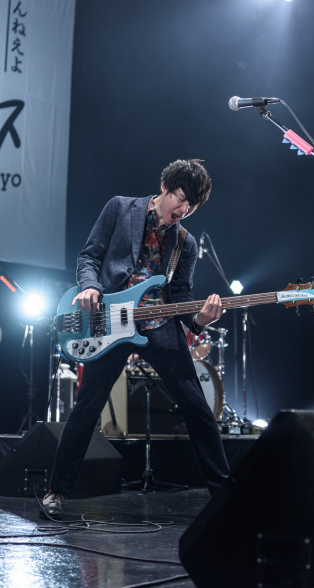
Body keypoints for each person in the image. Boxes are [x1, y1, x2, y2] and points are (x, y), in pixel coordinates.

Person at [42, 159, 230, 518]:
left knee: (196, 406)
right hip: (110, 320)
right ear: (165, 187)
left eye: (191, 207)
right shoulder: (119, 207)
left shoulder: (184, 243)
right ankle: (57, 491)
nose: (183, 210)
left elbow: (180, 296)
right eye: (181, 199)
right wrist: (90, 288)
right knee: (88, 407)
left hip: (157, 324)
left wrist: (199, 320)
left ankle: (224, 494)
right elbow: (89, 256)